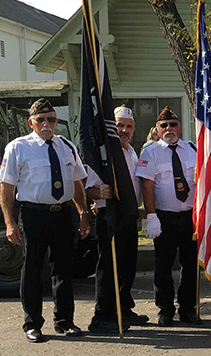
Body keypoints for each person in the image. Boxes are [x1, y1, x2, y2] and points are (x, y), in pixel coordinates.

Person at [0, 98, 90, 342]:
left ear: (56, 122)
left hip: (62, 214)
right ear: (31, 122)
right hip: (33, 215)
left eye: (51, 119)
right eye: (41, 120)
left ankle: (64, 321)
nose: (47, 124)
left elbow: (77, 182)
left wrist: (82, 213)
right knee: (32, 269)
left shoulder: (66, 146)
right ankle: (32, 324)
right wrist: (9, 222)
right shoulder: (18, 147)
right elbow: (7, 187)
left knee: (63, 269)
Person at [85, 105, 147, 333]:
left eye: (129, 126)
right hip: (109, 216)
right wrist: (98, 194)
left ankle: (123, 308)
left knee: (127, 266)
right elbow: (89, 188)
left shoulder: (132, 151)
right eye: (120, 125)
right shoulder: (105, 154)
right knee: (108, 267)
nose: (124, 130)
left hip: (129, 216)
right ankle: (102, 315)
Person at [137, 106, 201, 326]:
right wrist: (151, 216)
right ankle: (165, 309)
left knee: (190, 265)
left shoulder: (193, 148)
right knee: (163, 266)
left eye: (173, 124)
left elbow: (201, 181)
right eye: (163, 125)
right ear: (157, 128)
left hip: (190, 217)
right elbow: (147, 186)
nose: (169, 128)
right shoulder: (150, 152)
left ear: (180, 127)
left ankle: (187, 309)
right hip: (164, 217)